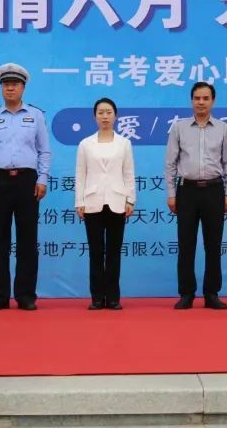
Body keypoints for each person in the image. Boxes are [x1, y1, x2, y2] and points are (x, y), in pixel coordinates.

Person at [0, 62, 51, 311]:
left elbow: (44, 150)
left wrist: (42, 179)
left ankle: (26, 295)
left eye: (15, 84)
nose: (10, 88)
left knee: (27, 240)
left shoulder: (36, 116)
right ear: (1, 88)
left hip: (27, 181)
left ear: (23, 88)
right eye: (6, 84)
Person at [164, 81, 227, 310]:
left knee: (213, 245)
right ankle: (186, 293)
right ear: (191, 101)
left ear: (213, 101)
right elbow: (170, 164)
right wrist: (171, 194)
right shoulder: (179, 128)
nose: (201, 102)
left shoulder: (223, 128)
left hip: (215, 191)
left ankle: (211, 293)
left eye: (205, 98)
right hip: (187, 191)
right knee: (186, 245)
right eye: (197, 98)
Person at [75, 97, 135, 310]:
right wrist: (79, 201)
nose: (105, 116)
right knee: (95, 252)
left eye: (109, 112)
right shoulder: (85, 144)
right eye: (101, 112)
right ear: (95, 116)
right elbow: (80, 175)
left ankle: (113, 297)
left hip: (117, 201)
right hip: (92, 202)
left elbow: (128, 173)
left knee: (114, 252)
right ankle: (96, 298)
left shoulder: (124, 143)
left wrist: (130, 199)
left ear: (115, 116)